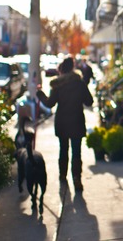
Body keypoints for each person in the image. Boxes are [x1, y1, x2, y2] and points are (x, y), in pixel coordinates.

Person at [36, 56, 93, 191]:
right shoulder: (80, 83)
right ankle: (77, 178)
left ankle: (62, 176)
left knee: (63, 150)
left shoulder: (57, 85)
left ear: (61, 70)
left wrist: (40, 94)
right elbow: (89, 102)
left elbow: (50, 103)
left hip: (62, 122)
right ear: (73, 68)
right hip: (77, 121)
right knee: (77, 152)